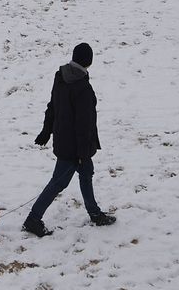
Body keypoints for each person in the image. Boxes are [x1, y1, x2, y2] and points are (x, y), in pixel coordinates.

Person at [23, 43, 116, 237]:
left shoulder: (60, 77)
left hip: (65, 141)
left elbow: (52, 107)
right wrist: (82, 154)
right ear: (88, 62)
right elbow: (84, 125)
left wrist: (46, 131)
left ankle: (94, 213)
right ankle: (33, 218)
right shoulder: (83, 88)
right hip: (74, 148)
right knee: (58, 183)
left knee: (86, 173)